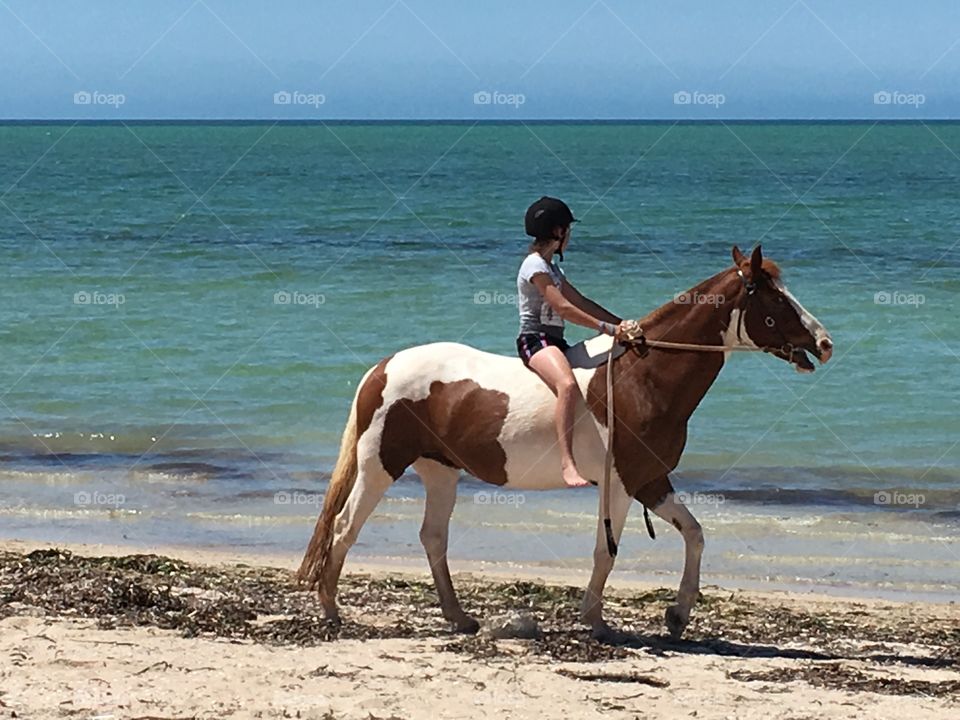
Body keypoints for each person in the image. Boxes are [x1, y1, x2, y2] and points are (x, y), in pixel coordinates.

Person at [516, 197, 627, 488]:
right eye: (569, 230)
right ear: (558, 232)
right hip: (535, 341)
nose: (571, 237)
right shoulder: (535, 266)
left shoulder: (554, 270)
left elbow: (582, 302)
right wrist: (606, 328)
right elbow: (564, 308)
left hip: (556, 341)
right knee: (567, 385)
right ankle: (567, 464)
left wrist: (622, 324)